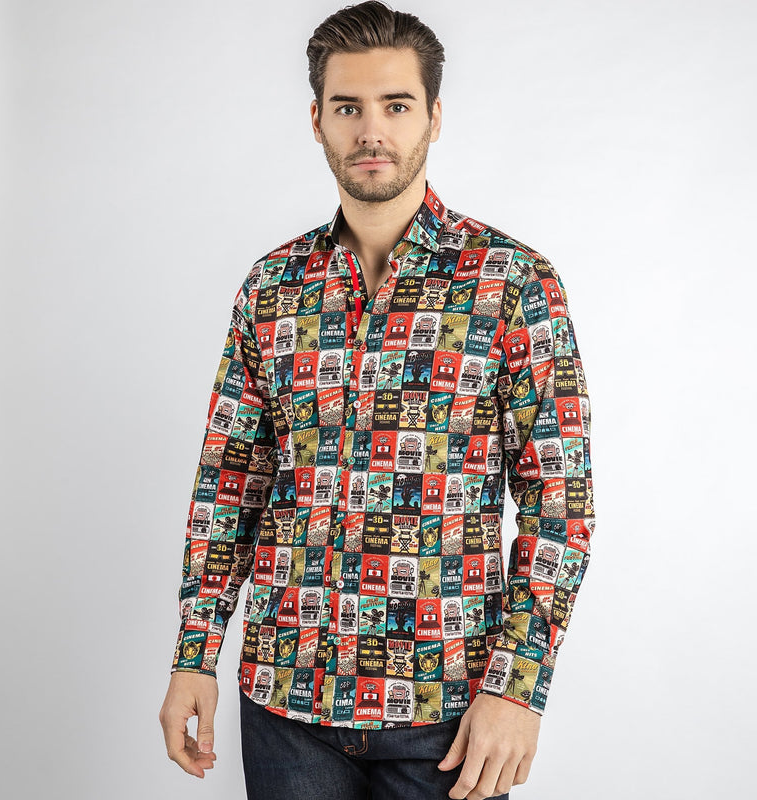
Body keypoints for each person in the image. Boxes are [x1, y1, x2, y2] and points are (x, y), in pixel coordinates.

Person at [159, 3, 595, 798]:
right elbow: (231, 482)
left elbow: (559, 500)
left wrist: (518, 687)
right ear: (316, 120)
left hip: (448, 712)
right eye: (347, 107)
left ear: (434, 117)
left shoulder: (512, 283)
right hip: (286, 701)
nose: (371, 131)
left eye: (396, 105)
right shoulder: (272, 288)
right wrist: (195, 654)